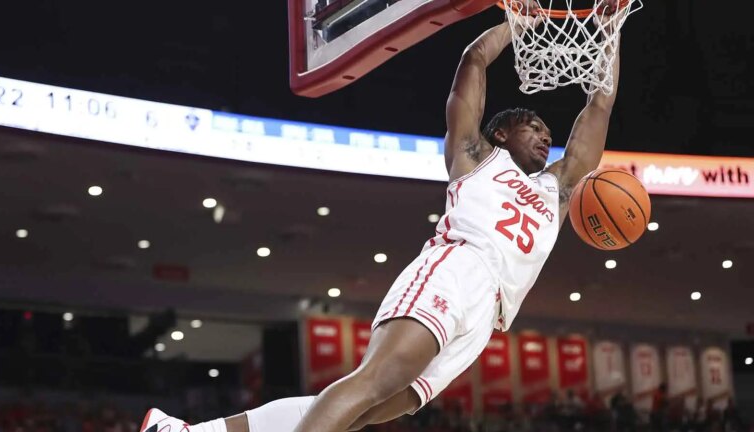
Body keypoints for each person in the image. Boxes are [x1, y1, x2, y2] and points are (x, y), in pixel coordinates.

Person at [140, 1, 624, 431]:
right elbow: (473, 61)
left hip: (488, 314)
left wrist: (611, 29)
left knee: (365, 411)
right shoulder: (476, 156)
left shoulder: (557, 190)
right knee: (371, 382)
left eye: (546, 131)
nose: (545, 135)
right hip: (456, 270)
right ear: (501, 134)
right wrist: (516, 23)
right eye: (532, 126)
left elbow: (599, 106)